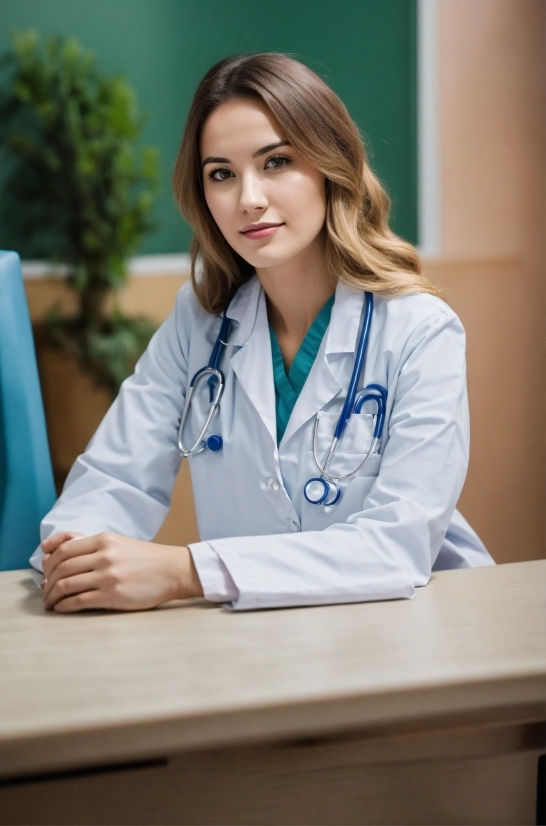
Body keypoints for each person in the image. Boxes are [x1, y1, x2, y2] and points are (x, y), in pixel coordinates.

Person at [30, 53, 493, 613]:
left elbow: (395, 546)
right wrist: (75, 553)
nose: (248, 198)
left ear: (330, 164)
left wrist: (188, 570)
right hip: (257, 641)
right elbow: (115, 477)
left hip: (416, 632)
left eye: (275, 162)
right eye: (221, 173)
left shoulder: (420, 329)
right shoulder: (201, 319)